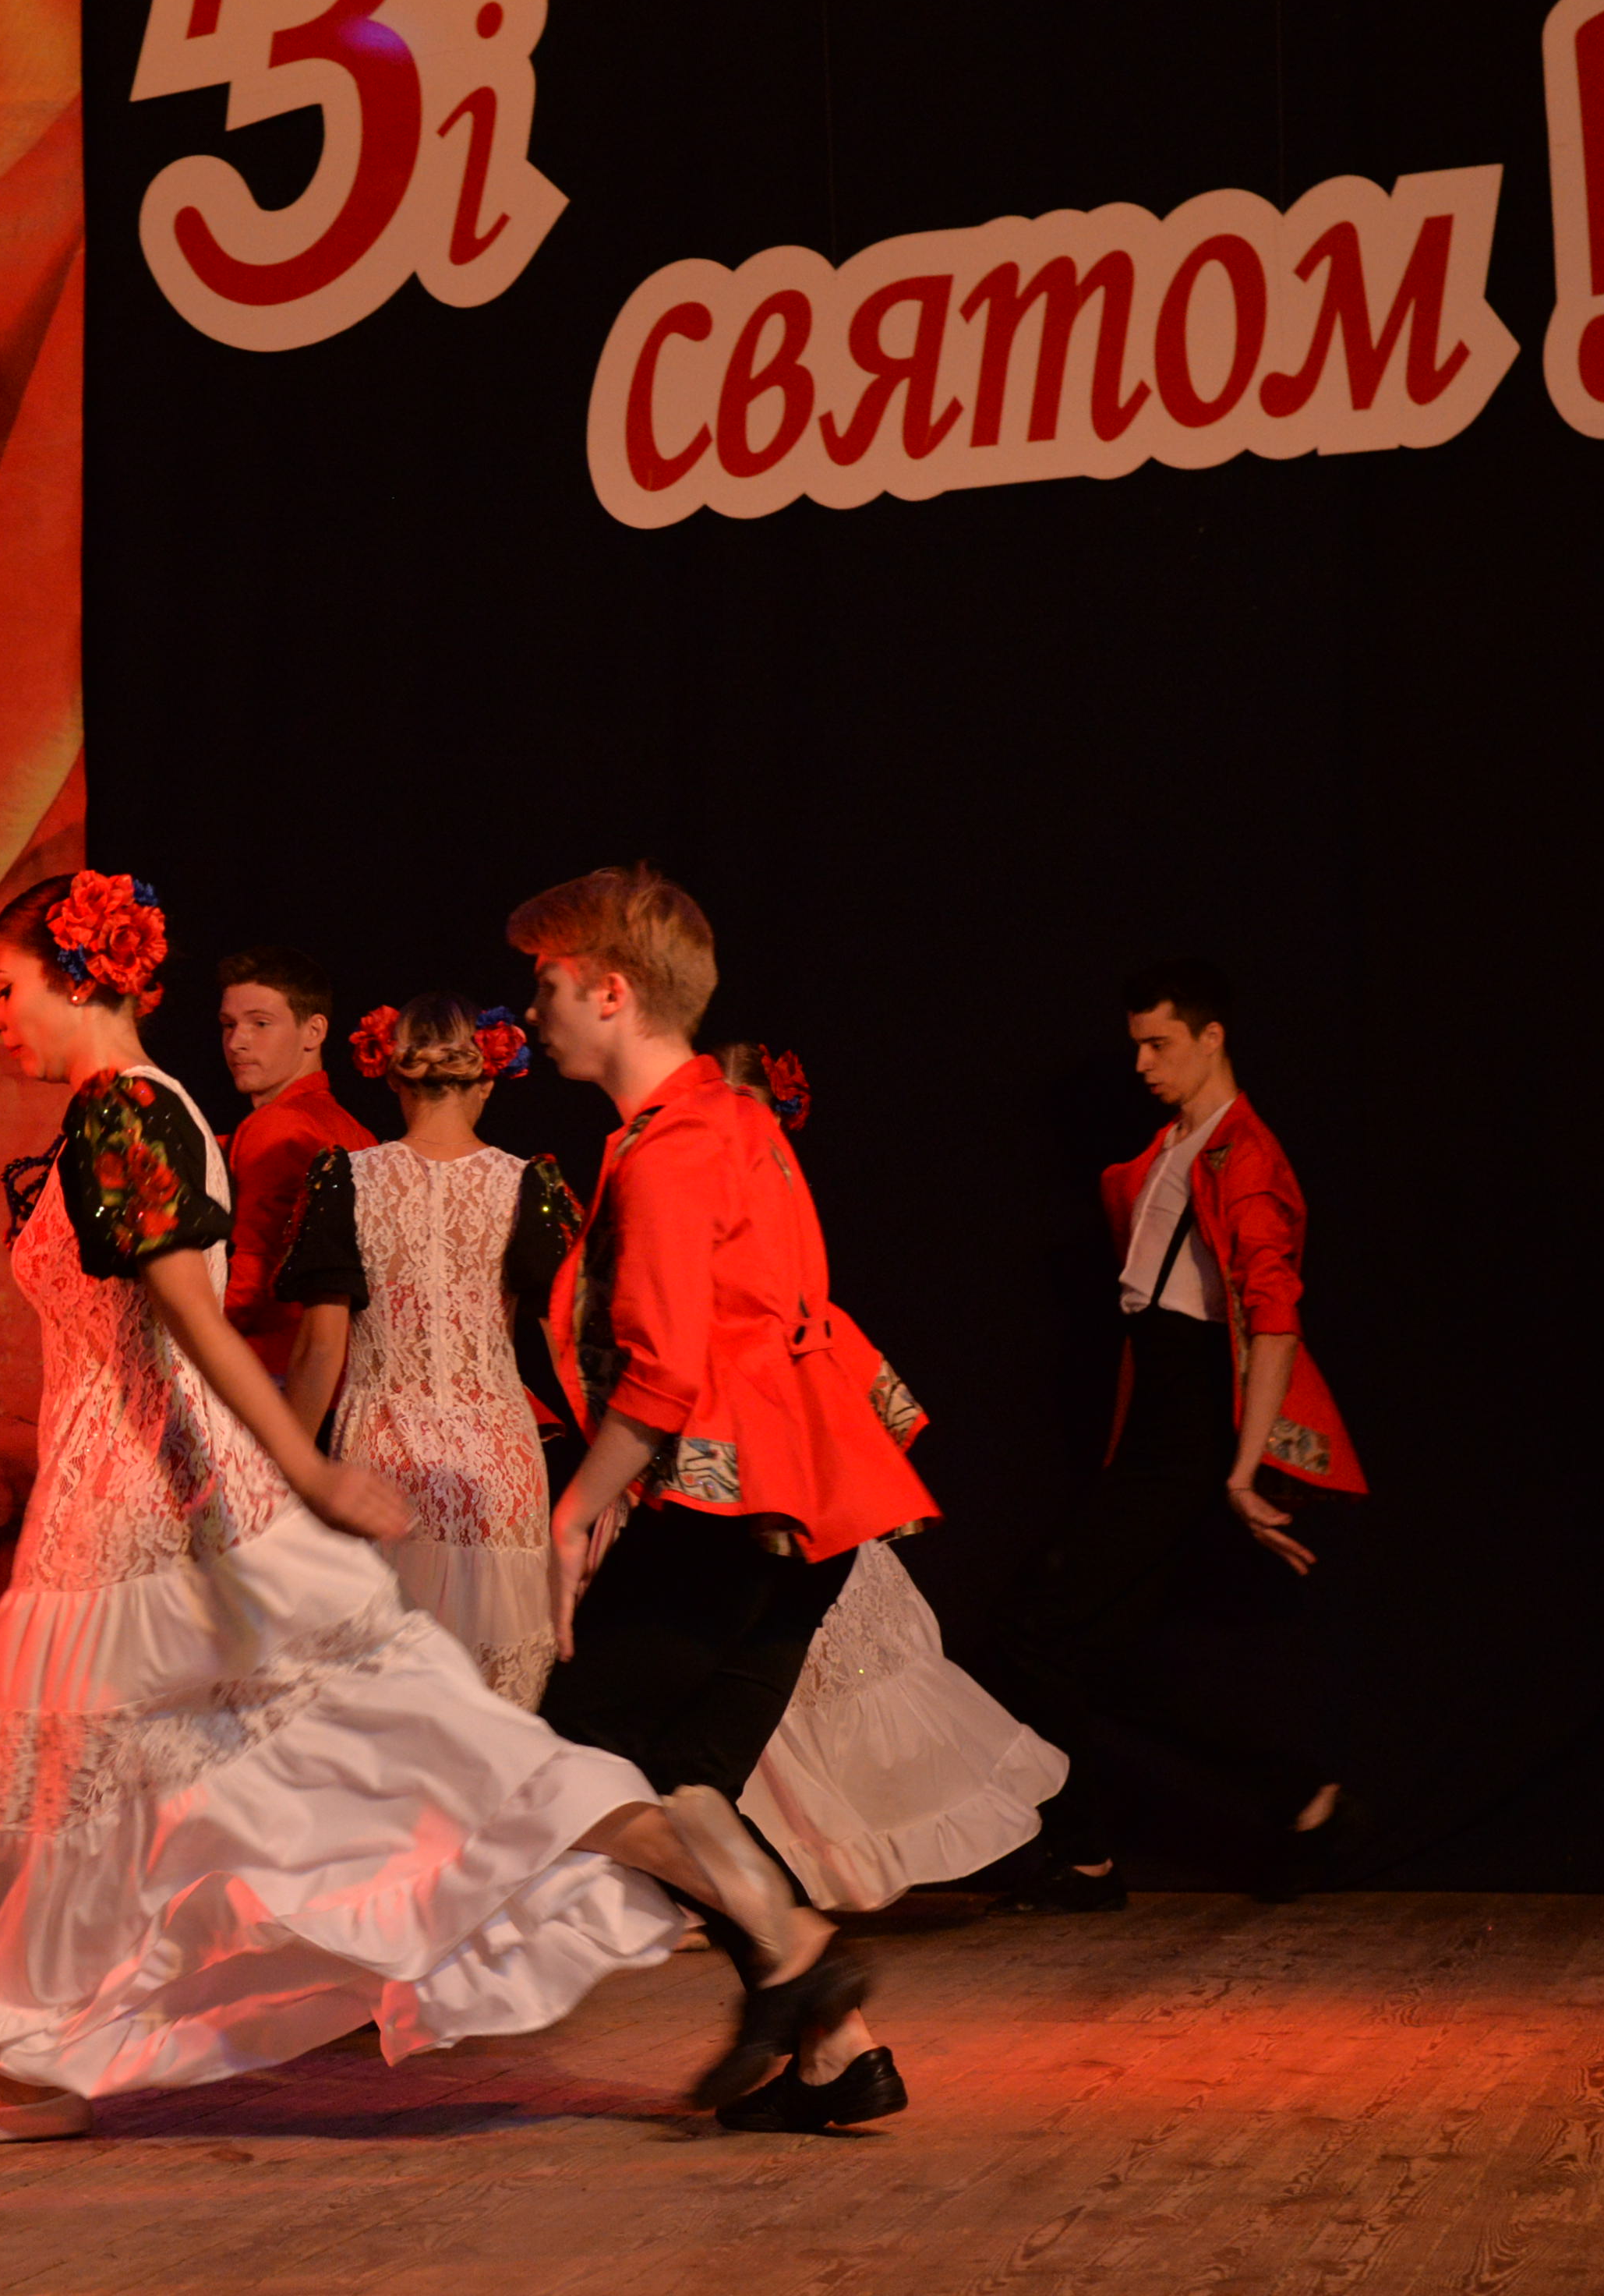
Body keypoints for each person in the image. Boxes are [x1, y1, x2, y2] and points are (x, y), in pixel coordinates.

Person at [0, 872, 846, 2144]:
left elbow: (189, 1321)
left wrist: (306, 1464)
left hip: (172, 1514)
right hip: (108, 1511)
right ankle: (46, 2062)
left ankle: (779, 1931)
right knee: (132, 1789)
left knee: (418, 1752)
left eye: (5, 988)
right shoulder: (116, 1117)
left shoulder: (130, 1110)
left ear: (77, 976)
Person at [513, 864, 923, 2133]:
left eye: (547, 984)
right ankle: (840, 2050)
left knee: (563, 1760)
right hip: (810, 1503)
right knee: (688, 1774)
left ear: (611, 992)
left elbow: (667, 1373)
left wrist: (574, 1513)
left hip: (734, 1507)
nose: (532, 1010)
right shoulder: (732, 1120)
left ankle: (799, 1948)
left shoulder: (675, 1150)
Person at [987, 962, 1367, 1913]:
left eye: (1160, 1043)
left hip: (1190, 1423)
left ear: (1212, 1036)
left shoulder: (1248, 1158)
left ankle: (1086, 1854)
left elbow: (1274, 1317)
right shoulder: (1169, 1148)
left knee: (1038, 1627)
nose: (1143, 1063)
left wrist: (1241, 1469)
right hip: (1154, 1413)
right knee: (1094, 1654)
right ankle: (1297, 1794)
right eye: (1137, 1045)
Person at [701, 1046, 1069, 1923]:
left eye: (743, 1107)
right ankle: (765, 1875)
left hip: (779, 1421)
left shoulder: (766, 1192)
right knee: (760, 1667)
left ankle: (833, 1865)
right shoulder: (706, 1187)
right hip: (734, 1425)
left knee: (834, 1650)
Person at [274, 994, 569, 1704]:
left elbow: (320, 1349)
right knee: (492, 1709)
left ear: (392, 1075)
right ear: (487, 1078)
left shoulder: (346, 1179)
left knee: (382, 1704)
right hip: (499, 1472)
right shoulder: (528, 1185)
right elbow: (565, 1339)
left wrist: (282, 1477)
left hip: (384, 1467)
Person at [214, 945, 375, 1383]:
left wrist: (180, 1327)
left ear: (314, 1031)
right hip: (344, 1373)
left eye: (260, 1024)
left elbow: (254, 1278)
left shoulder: (279, 1125)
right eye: (229, 1025)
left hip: (273, 1368)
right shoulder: (355, 1130)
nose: (237, 1042)